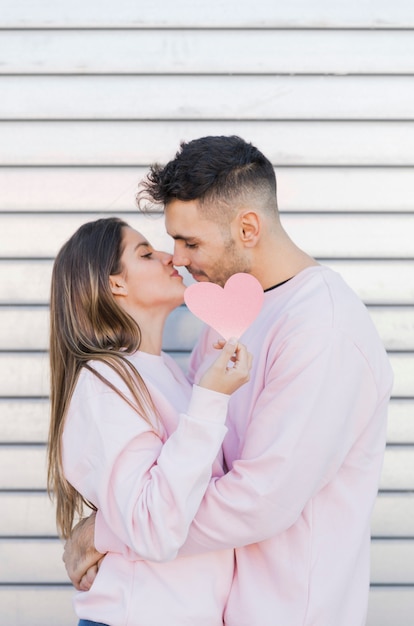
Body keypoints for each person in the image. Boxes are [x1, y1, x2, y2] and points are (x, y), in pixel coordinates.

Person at [64, 136, 394, 626]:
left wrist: (107, 532)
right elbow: (194, 460)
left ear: (247, 228)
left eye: (190, 243)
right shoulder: (230, 318)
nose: (177, 258)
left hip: (287, 612)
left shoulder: (323, 327)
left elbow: (258, 500)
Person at [47, 216, 252, 626]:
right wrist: (210, 399)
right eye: (144, 253)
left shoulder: (167, 373)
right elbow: (152, 527)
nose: (168, 257)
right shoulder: (106, 382)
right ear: (114, 284)